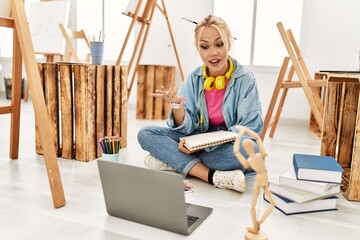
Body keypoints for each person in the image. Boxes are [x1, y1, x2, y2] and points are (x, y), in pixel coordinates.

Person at [137, 15, 263, 192]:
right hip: (195, 141)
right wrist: (177, 107)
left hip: (223, 145)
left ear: (229, 43)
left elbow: (250, 127)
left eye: (219, 44)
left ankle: (176, 162)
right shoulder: (193, 79)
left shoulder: (245, 79)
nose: (213, 52)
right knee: (146, 133)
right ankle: (213, 176)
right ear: (199, 49)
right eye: (205, 47)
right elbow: (183, 129)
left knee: (250, 150)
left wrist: (203, 145)